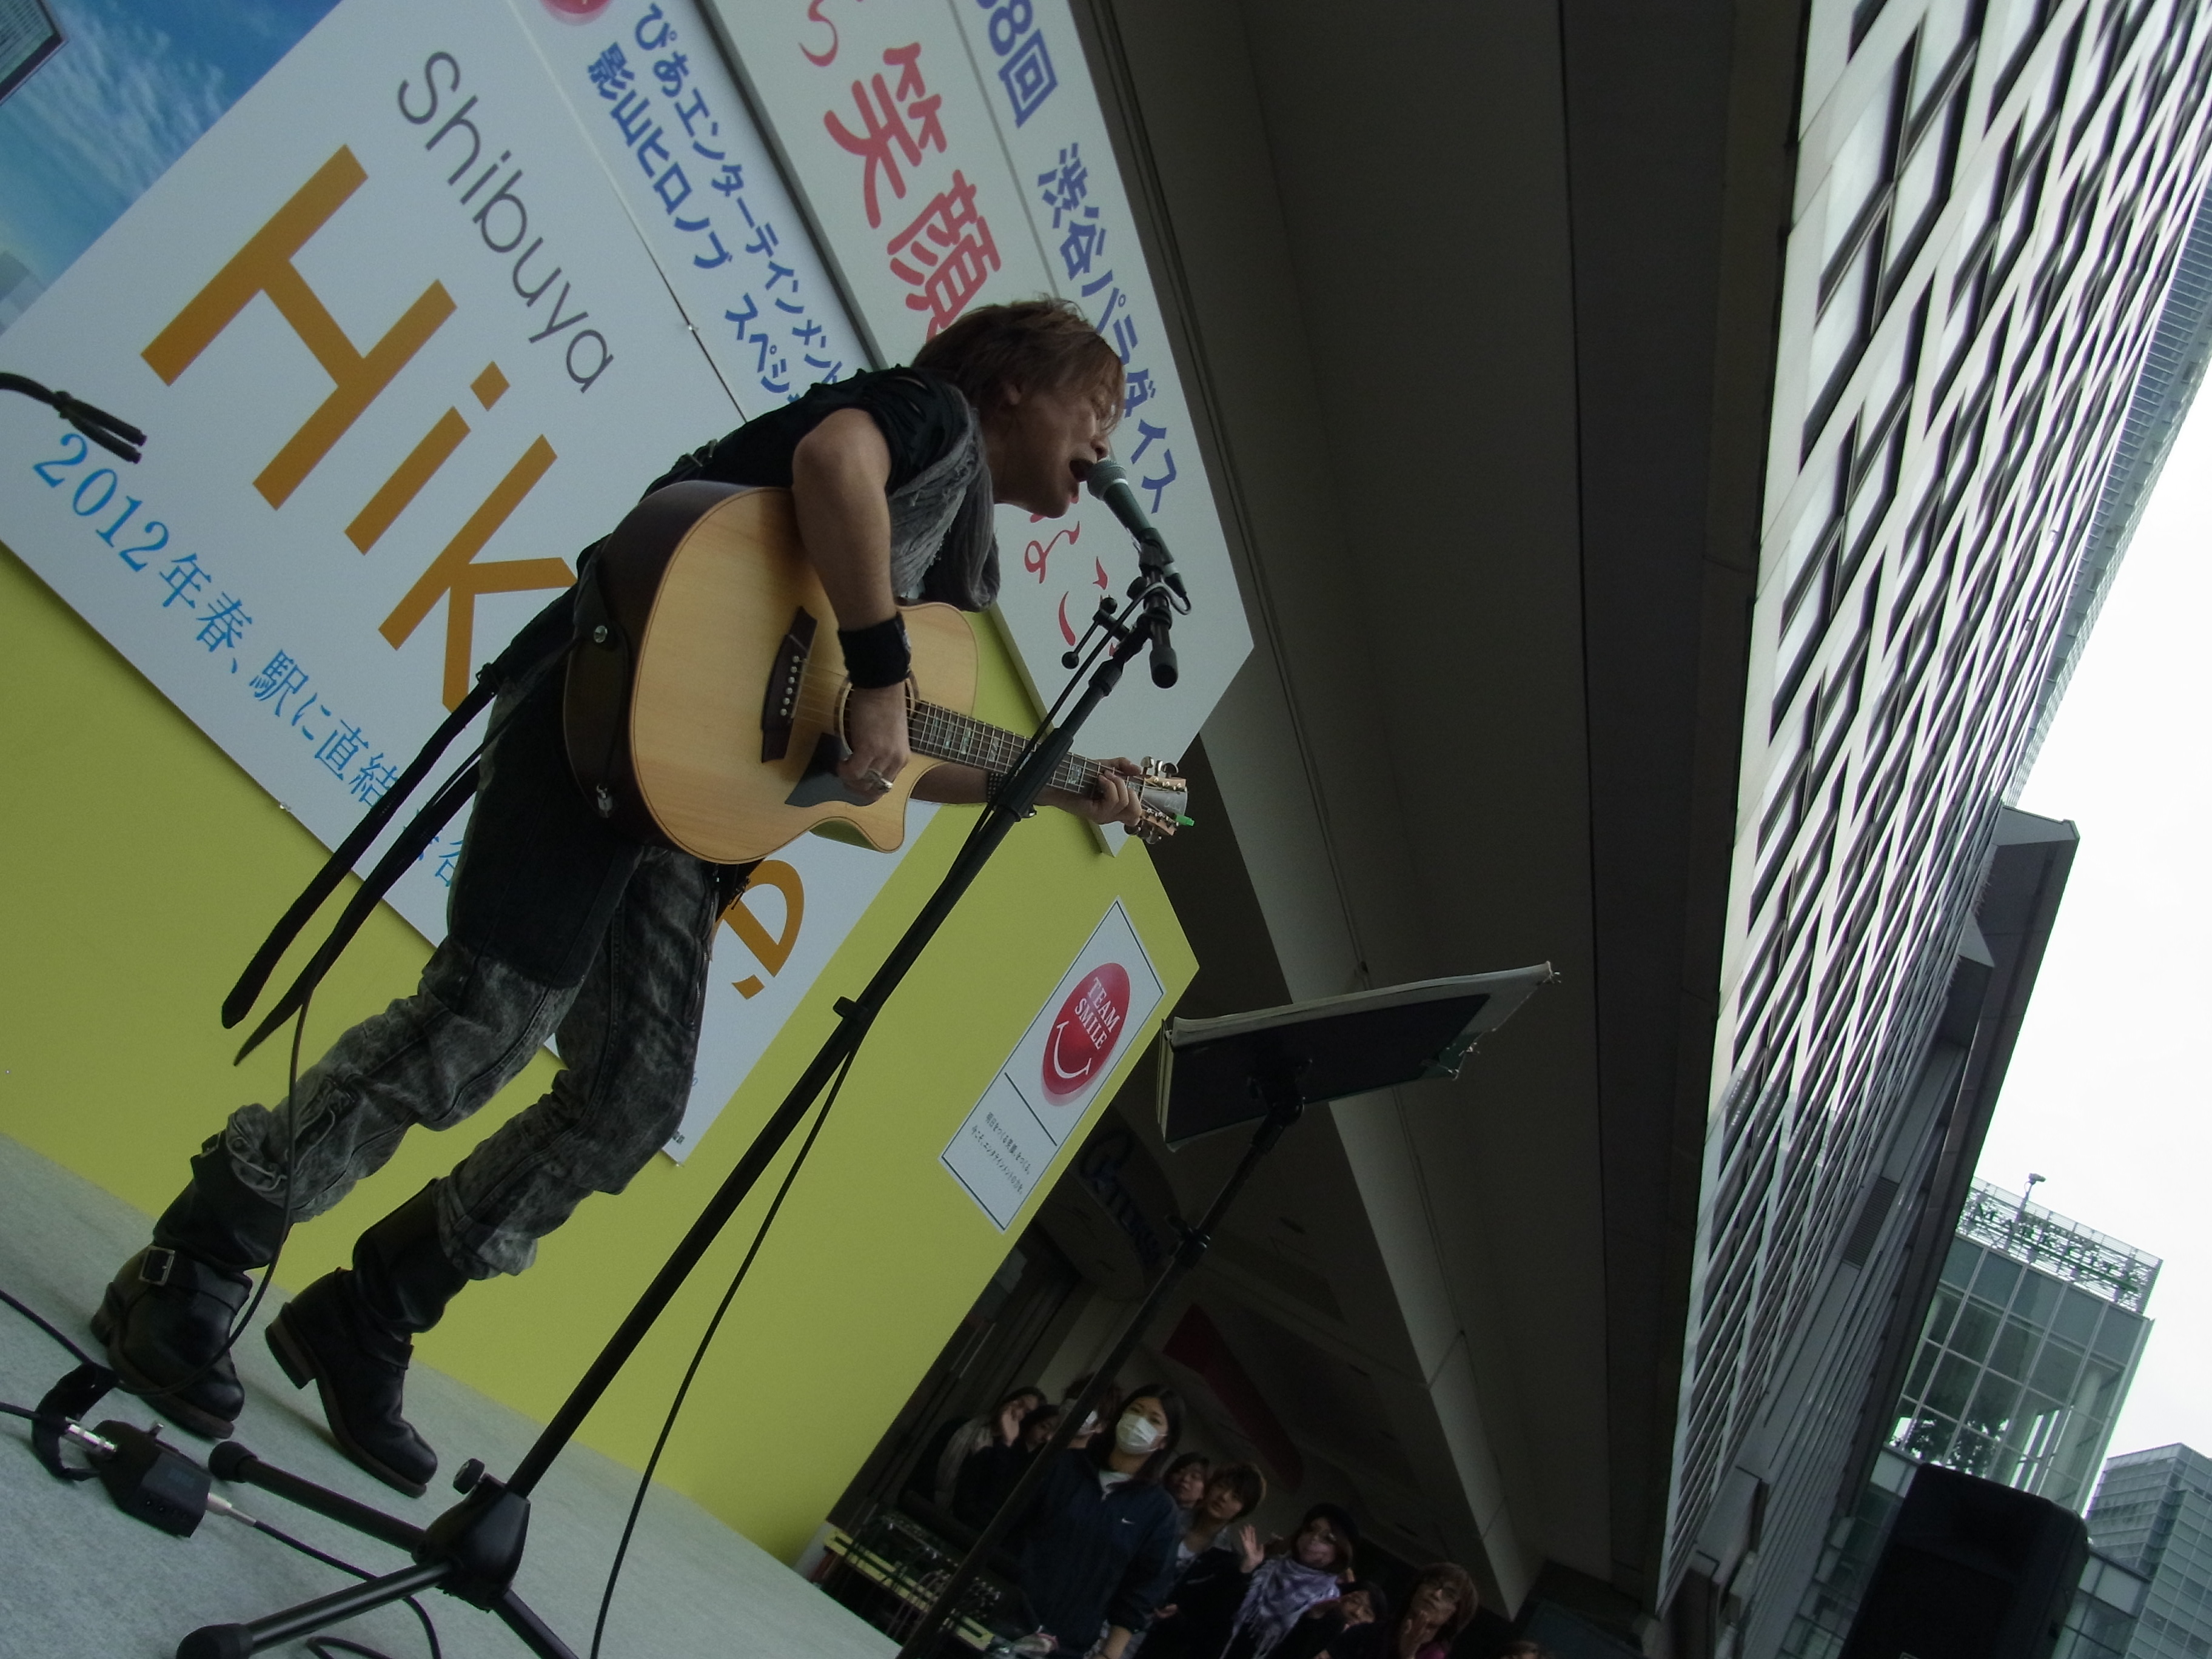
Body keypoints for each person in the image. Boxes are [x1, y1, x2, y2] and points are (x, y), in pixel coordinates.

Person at [90, 300, 1150, 1496]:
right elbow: (832, 464)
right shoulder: (926, 416)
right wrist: (877, 670)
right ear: (1014, 383)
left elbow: (896, 752)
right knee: (480, 1023)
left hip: (676, 807)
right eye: (1098, 408)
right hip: (600, 708)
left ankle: (373, 1310)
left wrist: (1069, 787)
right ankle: (197, 1254)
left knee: (633, 1097)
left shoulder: (941, 555)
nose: (1104, 444)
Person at [1009, 1384, 1187, 1658]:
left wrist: (1110, 1653)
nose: (1139, 1422)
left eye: (1154, 1420)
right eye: (1135, 1410)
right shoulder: (1063, 1464)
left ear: (1165, 1441)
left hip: (1067, 1643)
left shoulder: (1159, 1511)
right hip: (1007, 1614)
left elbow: (1143, 1589)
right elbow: (1009, 1526)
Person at [1133, 1461, 1269, 1659]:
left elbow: (1210, 1626)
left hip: (1158, 1645)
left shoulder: (1226, 1560)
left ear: (1242, 1509)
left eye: (1236, 1497)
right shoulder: (1168, 1519)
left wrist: (1244, 1573)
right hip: (1120, 1616)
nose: (1224, 1497)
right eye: (1222, 1486)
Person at [1222, 1504, 1361, 1659]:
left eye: (1328, 1539)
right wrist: (1245, 1570)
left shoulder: (1330, 1607)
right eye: (1310, 1530)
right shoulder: (1266, 1568)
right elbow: (1220, 1611)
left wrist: (1312, 1618)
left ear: (1340, 1552)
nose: (1314, 1538)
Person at [951, 1395, 1062, 1530]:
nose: (1048, 1437)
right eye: (1044, 1427)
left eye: (1054, 1433)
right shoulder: (994, 1450)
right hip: (966, 1525)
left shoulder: (1044, 1467)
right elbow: (967, 1496)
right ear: (1032, 1422)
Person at [929, 1386, 1046, 1510]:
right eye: (1018, 1402)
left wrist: (1007, 1440)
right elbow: (927, 1464)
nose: (1016, 1410)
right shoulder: (958, 1425)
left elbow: (991, 1493)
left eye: (1026, 1412)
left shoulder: (1012, 1454)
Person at [1367, 1564, 1477, 1659]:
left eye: (1449, 1595)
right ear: (1416, 1590)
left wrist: (1408, 1656)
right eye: (1433, 1583)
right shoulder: (1371, 1631)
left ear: (1454, 1617)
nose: (1436, 1594)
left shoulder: (1435, 1656)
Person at [1280, 1582, 1390, 1659]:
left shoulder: (1366, 1651)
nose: (1357, 1612)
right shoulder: (1312, 1622)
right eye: (1355, 1602)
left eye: (1367, 1612)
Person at [1164, 1452, 1213, 1521]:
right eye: (1180, 1472)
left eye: (1195, 1477)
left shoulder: (1195, 1523)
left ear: (1204, 1492)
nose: (1185, 1479)